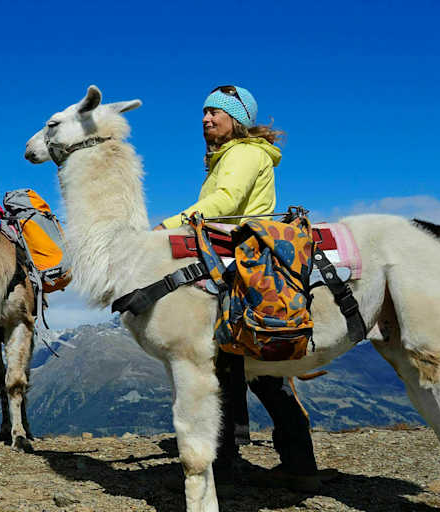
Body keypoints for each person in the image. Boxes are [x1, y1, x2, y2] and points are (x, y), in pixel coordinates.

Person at [158, 85, 320, 491]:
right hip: (249, 257)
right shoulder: (231, 155)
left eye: (216, 112)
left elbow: (227, 201)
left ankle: (228, 464)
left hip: (245, 259)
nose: (206, 118)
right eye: (205, 112)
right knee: (262, 371)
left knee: (228, 358)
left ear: (238, 120)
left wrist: (169, 225)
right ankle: (297, 464)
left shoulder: (243, 154)